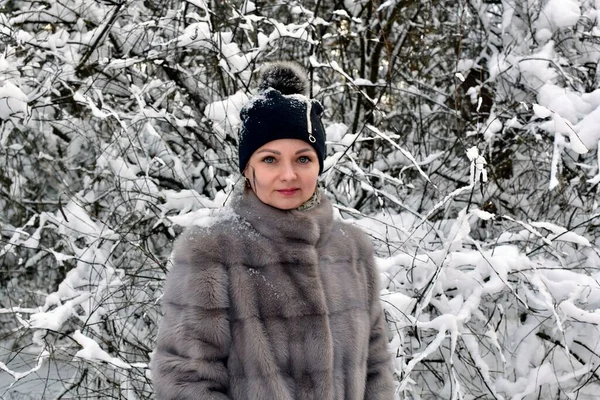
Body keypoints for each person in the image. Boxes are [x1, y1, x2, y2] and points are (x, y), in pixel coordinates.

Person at [151, 62, 395, 399]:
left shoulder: (351, 249)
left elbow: (376, 367)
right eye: (269, 159)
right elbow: (185, 379)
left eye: (303, 159)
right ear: (247, 168)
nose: (288, 174)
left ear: (319, 164)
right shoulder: (211, 251)